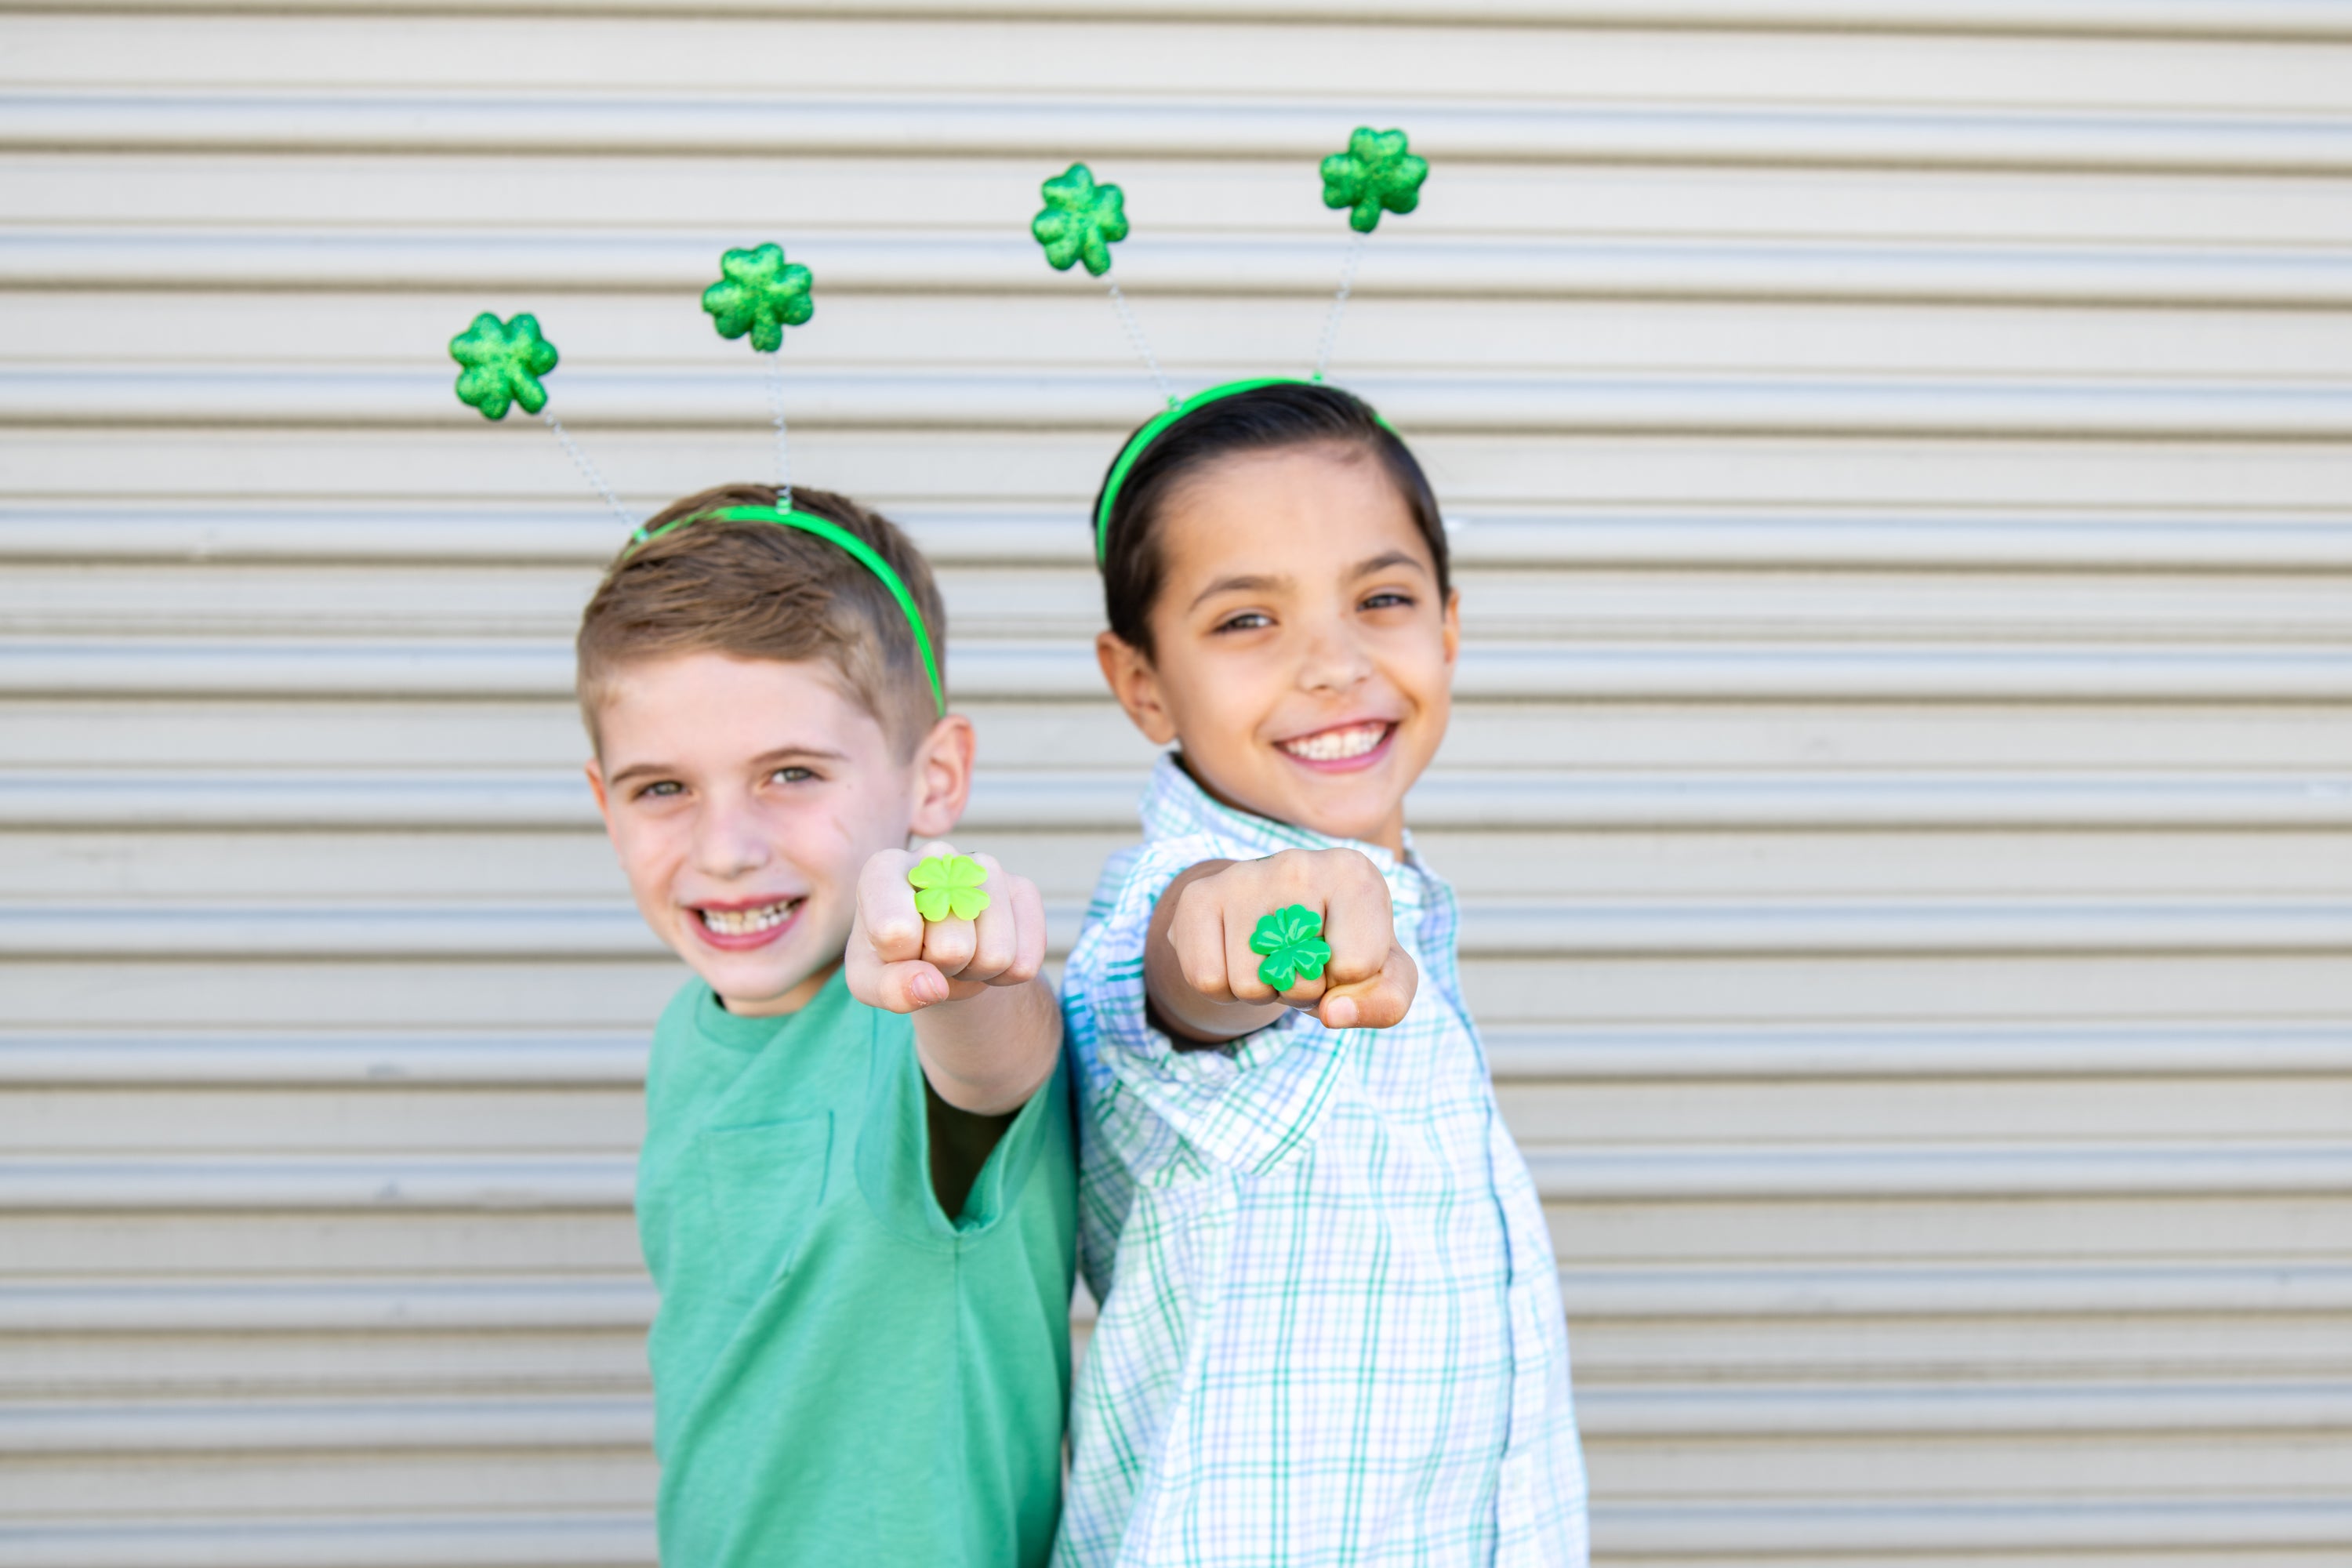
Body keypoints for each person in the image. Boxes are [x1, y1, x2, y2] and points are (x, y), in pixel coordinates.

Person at [1057, 383, 1589, 1566]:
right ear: (1141, 680)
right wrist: (1238, 931)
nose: (1333, 664)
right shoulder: (1173, 910)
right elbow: (1179, 989)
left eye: (1381, 599)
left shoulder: (1409, 916)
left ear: (1449, 625)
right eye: (1247, 620)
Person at [579, 481, 1074, 1566]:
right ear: (600, 797)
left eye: (790, 775)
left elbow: (993, 1065)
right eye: (661, 789)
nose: (723, 848)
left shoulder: (912, 1024)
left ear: (933, 778)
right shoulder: (690, 1031)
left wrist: (967, 963)